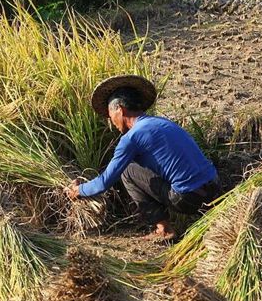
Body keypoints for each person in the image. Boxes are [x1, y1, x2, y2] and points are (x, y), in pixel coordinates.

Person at [65, 74, 221, 240]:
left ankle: (164, 229)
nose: (112, 123)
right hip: (216, 189)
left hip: (188, 199)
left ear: (120, 109)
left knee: (127, 171)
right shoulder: (162, 123)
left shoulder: (132, 137)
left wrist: (79, 190)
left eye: (110, 116)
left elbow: (105, 182)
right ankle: (206, 213)